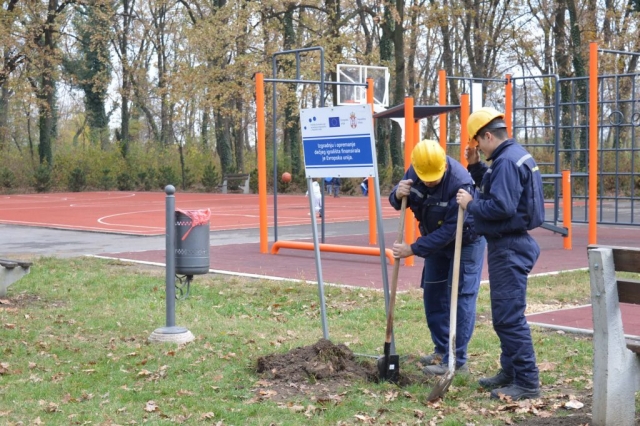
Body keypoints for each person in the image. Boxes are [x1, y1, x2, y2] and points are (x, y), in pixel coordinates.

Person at [456, 107, 545, 401]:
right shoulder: (513, 155)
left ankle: (527, 382)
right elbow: (500, 189)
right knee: (506, 314)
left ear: (488, 135)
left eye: (477, 142)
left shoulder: (506, 162)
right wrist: (475, 167)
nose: (477, 147)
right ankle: (510, 372)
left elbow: (501, 206)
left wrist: (470, 204)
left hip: (509, 246)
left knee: (508, 318)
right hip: (513, 243)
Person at [389, 139, 486, 377]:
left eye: (435, 176)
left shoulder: (460, 181)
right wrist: (396, 194)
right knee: (433, 295)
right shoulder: (417, 169)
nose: (431, 181)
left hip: (466, 240)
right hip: (434, 239)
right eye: (427, 177)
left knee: (460, 296)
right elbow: (400, 201)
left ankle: (458, 360)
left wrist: (413, 248)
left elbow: (451, 230)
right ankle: (442, 350)